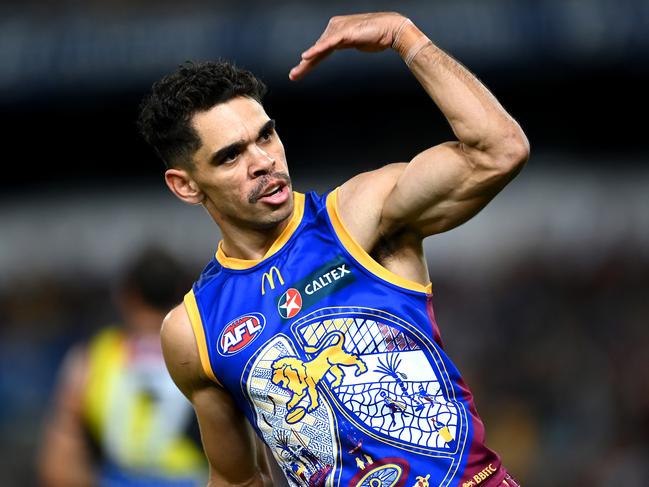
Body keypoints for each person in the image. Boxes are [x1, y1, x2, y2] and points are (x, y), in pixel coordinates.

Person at [137, 12, 529, 487]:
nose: (263, 161)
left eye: (266, 135)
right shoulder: (192, 331)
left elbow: (500, 151)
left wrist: (403, 37)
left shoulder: (360, 216)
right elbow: (237, 479)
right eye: (231, 155)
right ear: (186, 185)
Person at [39, 248, 209, 487]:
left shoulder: (92, 359)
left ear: (126, 296)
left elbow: (60, 460)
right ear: (183, 294)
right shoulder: (205, 353)